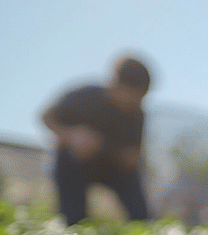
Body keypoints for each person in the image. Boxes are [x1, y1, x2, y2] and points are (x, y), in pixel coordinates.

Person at [42, 54, 154, 225]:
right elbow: (47, 116)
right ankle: (73, 226)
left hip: (112, 166)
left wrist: (102, 147)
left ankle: (144, 229)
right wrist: (72, 136)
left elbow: (132, 158)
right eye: (133, 96)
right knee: (66, 163)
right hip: (75, 162)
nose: (136, 103)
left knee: (133, 184)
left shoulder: (136, 114)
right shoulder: (85, 97)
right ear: (117, 84)